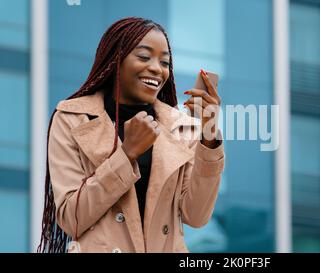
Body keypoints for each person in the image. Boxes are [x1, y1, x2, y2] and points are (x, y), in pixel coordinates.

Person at [37, 17, 224, 253]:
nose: (157, 68)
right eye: (144, 57)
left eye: (165, 62)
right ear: (115, 59)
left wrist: (209, 135)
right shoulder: (72, 118)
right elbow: (70, 219)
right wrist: (127, 154)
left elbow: (196, 215)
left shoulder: (180, 126)